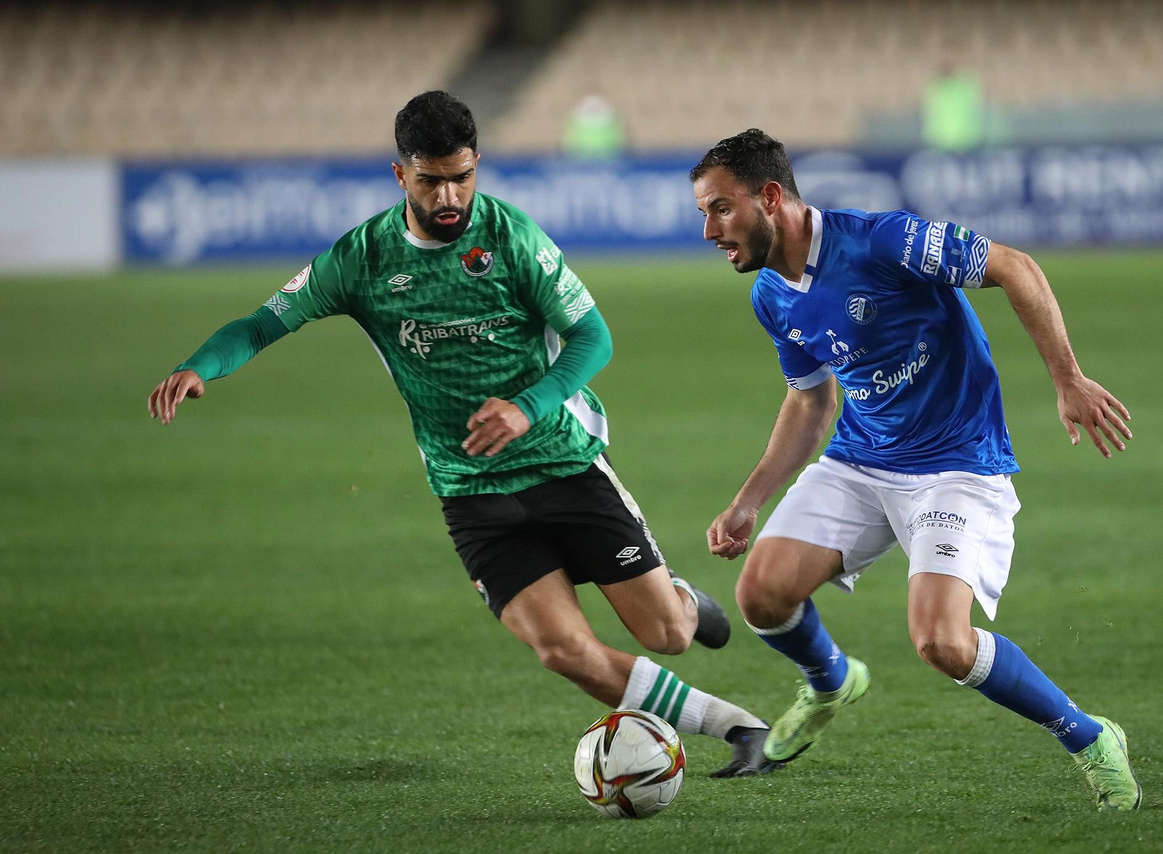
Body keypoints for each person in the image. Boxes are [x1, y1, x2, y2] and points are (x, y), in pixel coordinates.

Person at [147, 91, 775, 777]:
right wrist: (199, 366)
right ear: (399, 176)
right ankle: (740, 726)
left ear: (477, 164)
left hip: (563, 464)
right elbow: (263, 322)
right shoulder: (363, 257)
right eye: (431, 180)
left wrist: (526, 406)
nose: (450, 195)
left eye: (462, 175)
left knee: (669, 634)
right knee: (565, 652)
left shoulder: (511, 237)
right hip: (472, 495)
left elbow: (592, 338)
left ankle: (682, 598)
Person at [689, 128, 1141, 812]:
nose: (708, 230)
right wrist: (750, 499)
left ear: (771, 197)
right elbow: (811, 401)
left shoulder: (884, 240)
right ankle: (831, 679)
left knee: (943, 642)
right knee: (762, 595)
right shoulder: (771, 297)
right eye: (704, 212)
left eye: (720, 208)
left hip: (955, 464)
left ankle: (1089, 736)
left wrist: (1067, 378)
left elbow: (1015, 266)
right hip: (861, 459)